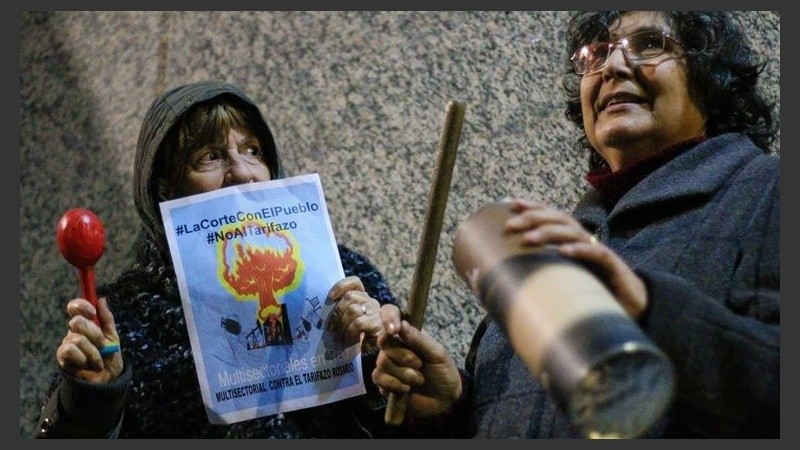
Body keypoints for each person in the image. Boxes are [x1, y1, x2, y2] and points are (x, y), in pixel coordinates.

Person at [372, 11, 779, 438]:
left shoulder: (769, 192)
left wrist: (649, 306)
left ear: (710, 76)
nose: (614, 67)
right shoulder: (551, 243)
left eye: (650, 44)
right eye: (597, 55)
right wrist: (450, 409)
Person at [37, 80, 400, 438]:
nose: (244, 173)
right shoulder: (121, 321)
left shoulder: (344, 275)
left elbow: (426, 421)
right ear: (164, 190)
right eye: (211, 156)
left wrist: (377, 358)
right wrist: (94, 402)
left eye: (254, 151)